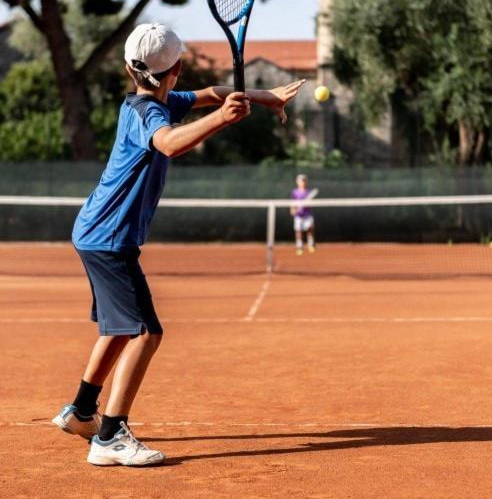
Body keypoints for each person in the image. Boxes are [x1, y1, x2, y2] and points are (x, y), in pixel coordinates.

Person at [51, 23, 305, 467]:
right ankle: (109, 437)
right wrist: (222, 119)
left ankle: (81, 412)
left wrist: (266, 97)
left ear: (131, 68)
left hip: (96, 233)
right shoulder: (149, 114)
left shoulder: (157, 99)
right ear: (177, 67)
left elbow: (209, 91)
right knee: (147, 332)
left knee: (119, 328)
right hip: (110, 239)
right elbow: (168, 143)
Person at [290, 174, 315, 255]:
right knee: (298, 231)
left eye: (304, 180)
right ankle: (299, 247)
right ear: (297, 182)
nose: (302, 182)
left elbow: (311, 204)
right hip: (298, 216)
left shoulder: (309, 192)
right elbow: (292, 203)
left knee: (310, 229)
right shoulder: (294, 192)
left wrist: (306, 204)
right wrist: (293, 210)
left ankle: (310, 245)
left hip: (307, 215)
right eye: (301, 180)